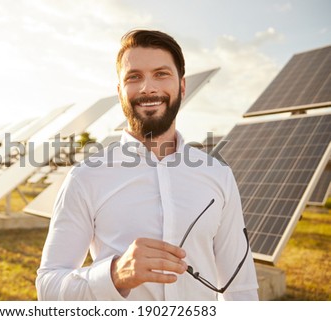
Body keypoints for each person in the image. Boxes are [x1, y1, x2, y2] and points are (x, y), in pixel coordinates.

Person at [36, 29, 259, 300]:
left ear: (182, 86)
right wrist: (115, 275)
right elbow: (48, 287)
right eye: (134, 77)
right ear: (120, 92)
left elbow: (240, 287)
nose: (148, 88)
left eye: (161, 74)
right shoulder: (86, 177)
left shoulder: (218, 175)